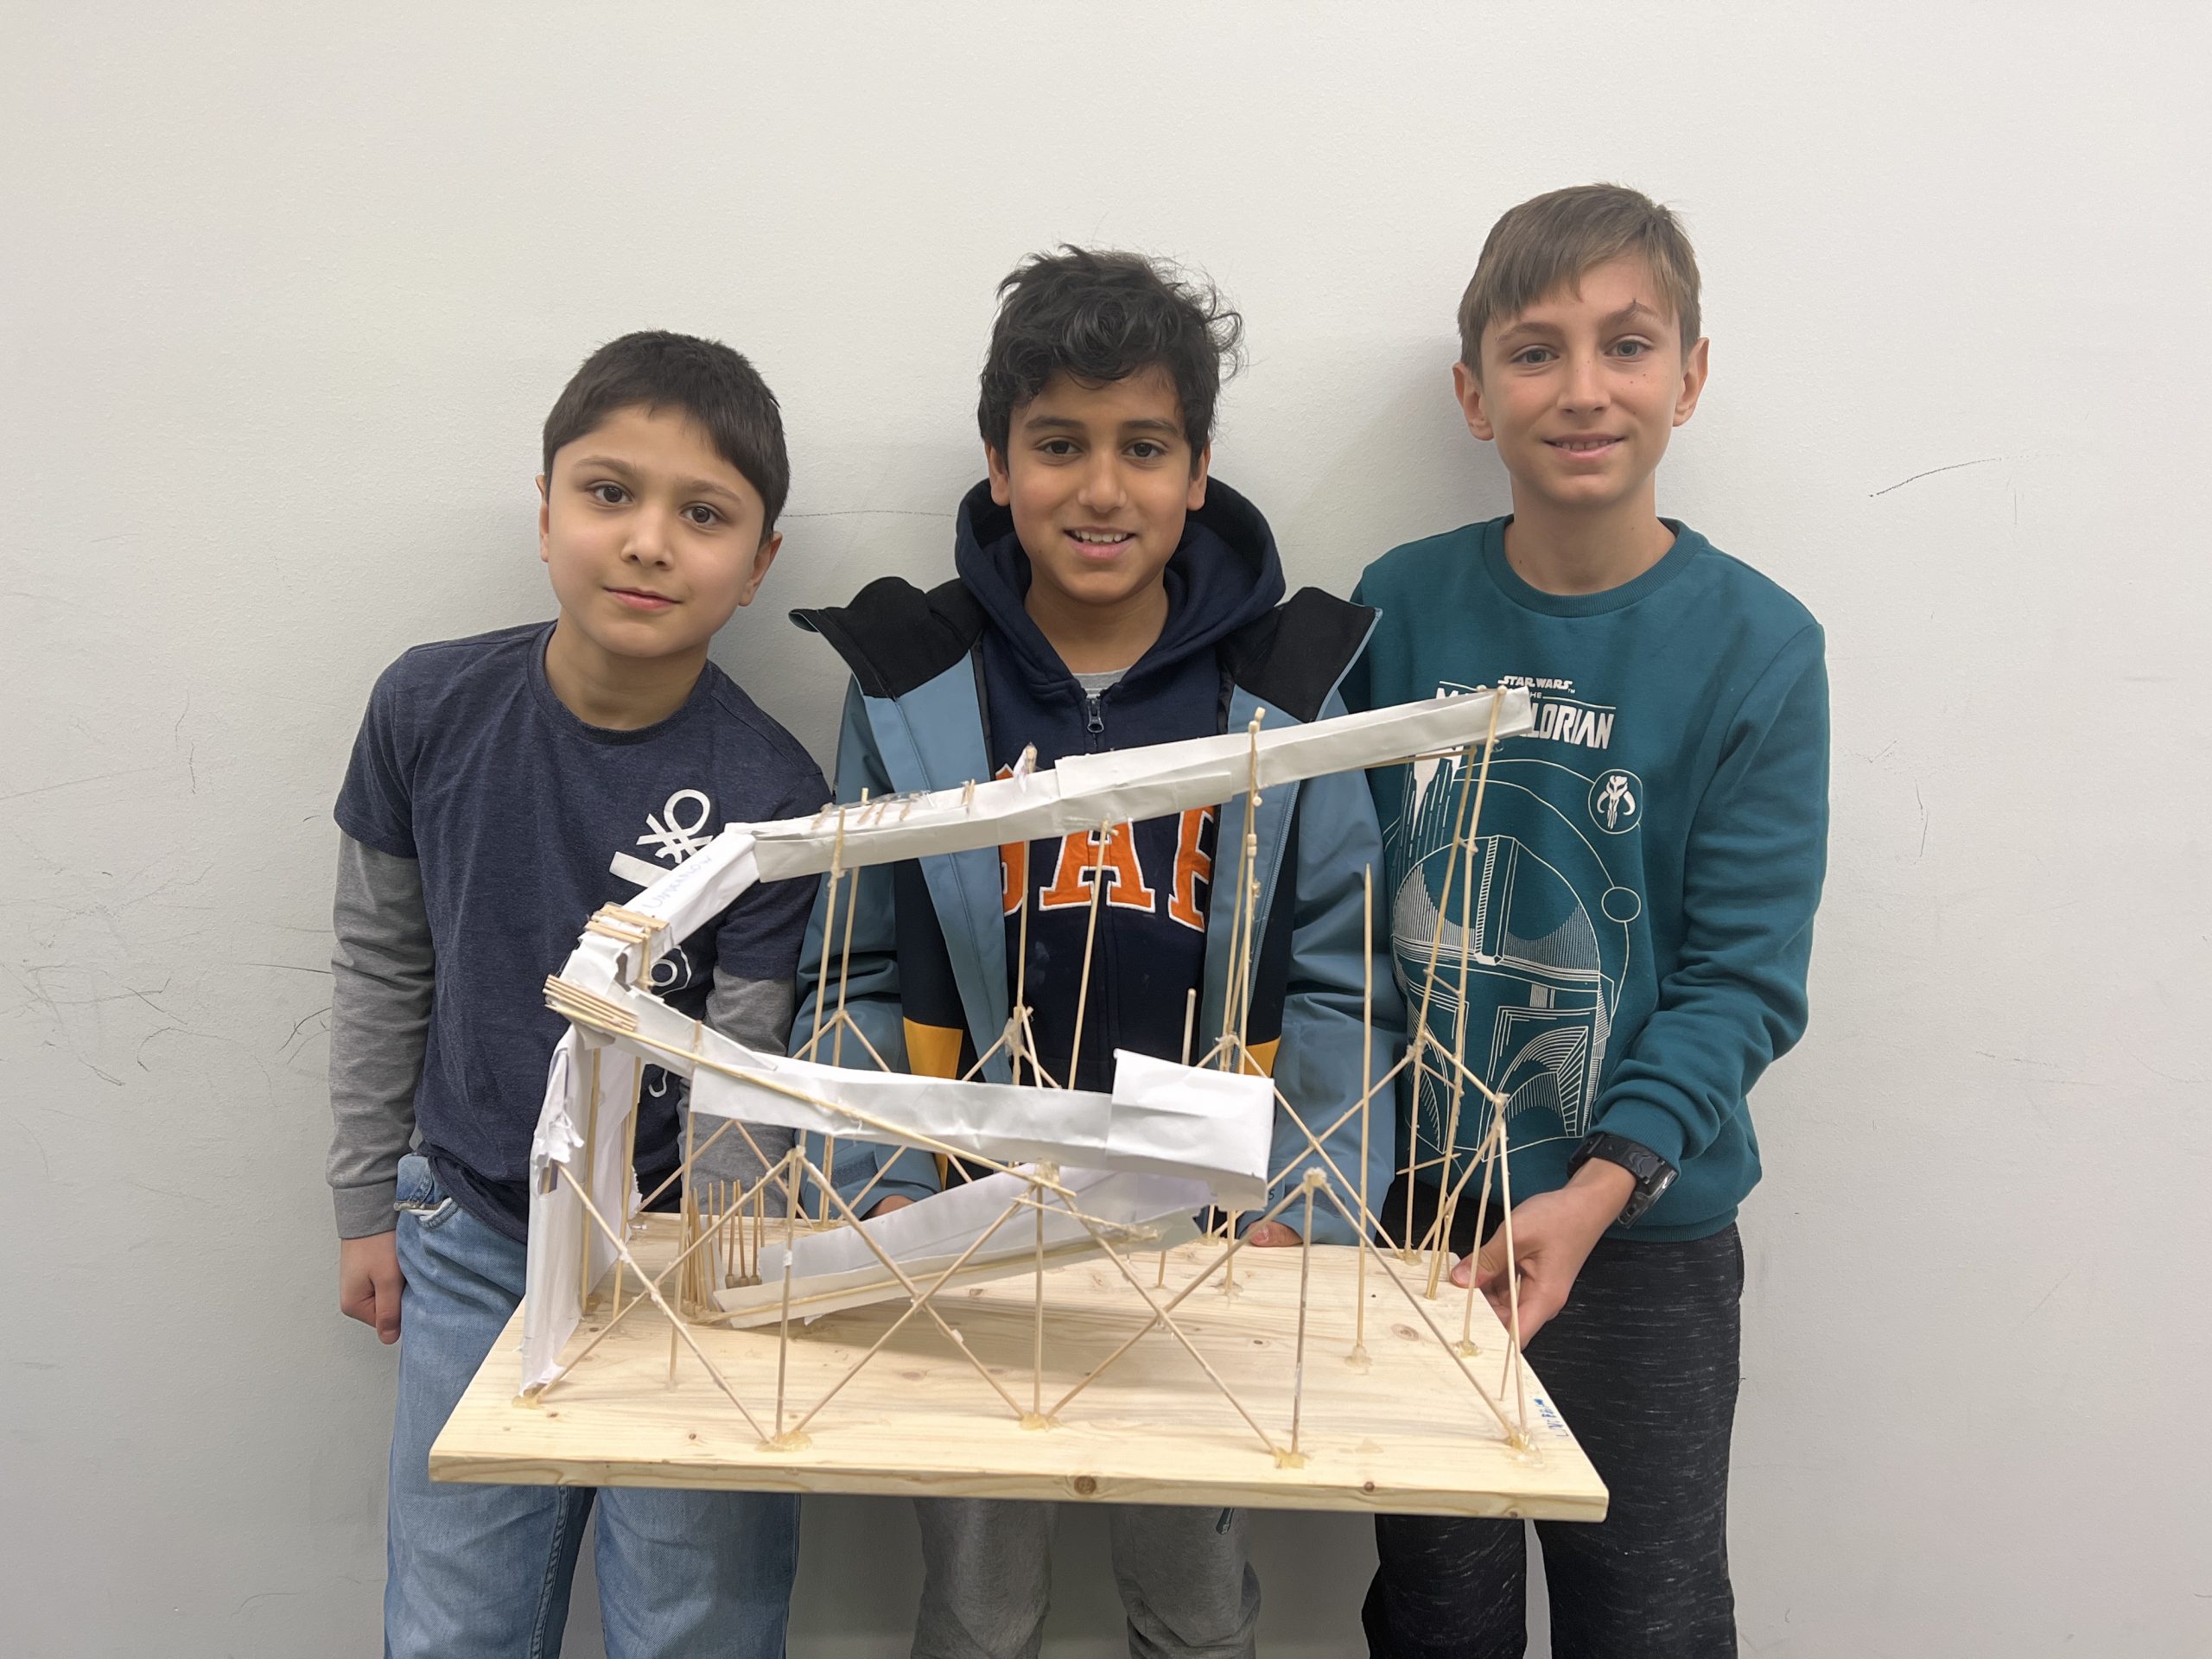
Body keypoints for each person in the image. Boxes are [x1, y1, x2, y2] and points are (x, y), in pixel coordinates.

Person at [788, 247, 1402, 1659]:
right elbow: (854, 969)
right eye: (1059, 444)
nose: (1102, 487)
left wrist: (1307, 1204)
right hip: (963, 1232)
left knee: (1193, 1605)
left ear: (1199, 472)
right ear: (999, 466)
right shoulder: (912, 682)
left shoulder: (1288, 689)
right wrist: (882, 1192)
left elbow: (1341, 974)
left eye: (1145, 447)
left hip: (1210, 1235)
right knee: (980, 1607)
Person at [1347, 184, 1830, 1657]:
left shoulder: (1761, 645)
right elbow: (1333, 920)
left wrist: (1603, 1184)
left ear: (1690, 375)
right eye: (1535, 350)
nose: (1582, 388)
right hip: (1425, 1226)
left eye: (1626, 345)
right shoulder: (1393, 610)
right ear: (1473, 394)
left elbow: (1744, 983)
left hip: (1642, 1235)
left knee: (1650, 1618)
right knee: (1439, 1617)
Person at [328, 331, 824, 1658]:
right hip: (471, 1237)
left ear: (759, 564)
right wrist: (365, 1202)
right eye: (611, 493)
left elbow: (744, 1062)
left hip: (684, 1259)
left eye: (703, 515)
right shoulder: (424, 708)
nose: (649, 542)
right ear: (545, 511)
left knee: (695, 1628)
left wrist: (724, 1288)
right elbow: (382, 963)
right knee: (455, 1629)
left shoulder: (777, 794)